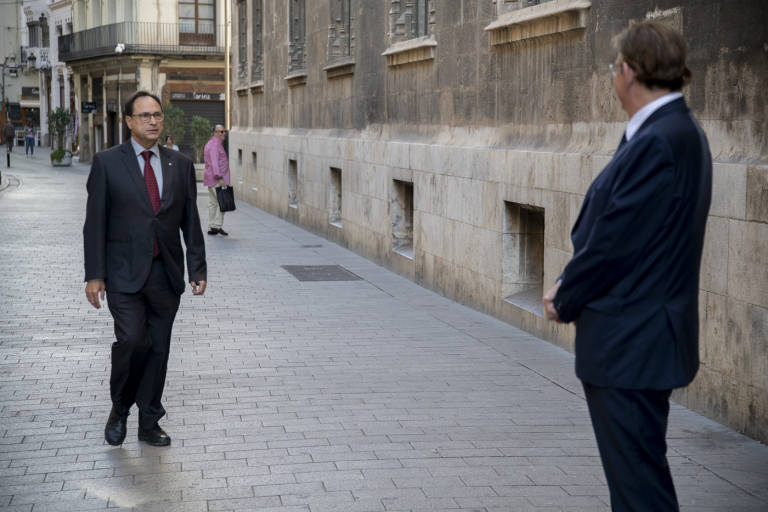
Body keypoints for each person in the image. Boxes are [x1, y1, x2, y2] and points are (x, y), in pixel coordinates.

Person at [542, 21, 712, 511]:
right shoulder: (671, 132)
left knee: (639, 492)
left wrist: (565, 294)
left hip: (631, 343)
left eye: (615, 66)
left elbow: (615, 241)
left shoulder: (661, 140)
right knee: (636, 485)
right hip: (639, 341)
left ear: (632, 71)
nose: (613, 76)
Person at [83, 91, 207, 447]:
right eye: (145, 116)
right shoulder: (107, 163)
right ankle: (120, 408)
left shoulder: (179, 164)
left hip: (165, 274)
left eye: (157, 115)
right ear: (129, 121)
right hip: (123, 274)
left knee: (158, 349)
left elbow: (190, 221)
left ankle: (149, 421)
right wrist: (95, 275)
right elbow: (95, 224)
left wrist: (197, 269)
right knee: (133, 341)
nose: (153, 121)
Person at [203, 124, 230, 236]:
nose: (224, 134)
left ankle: (212, 226)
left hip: (211, 179)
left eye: (224, 131)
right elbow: (214, 162)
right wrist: (220, 178)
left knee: (213, 203)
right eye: (221, 132)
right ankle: (216, 226)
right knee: (223, 202)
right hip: (217, 179)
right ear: (215, 133)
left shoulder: (212, 143)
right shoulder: (215, 145)